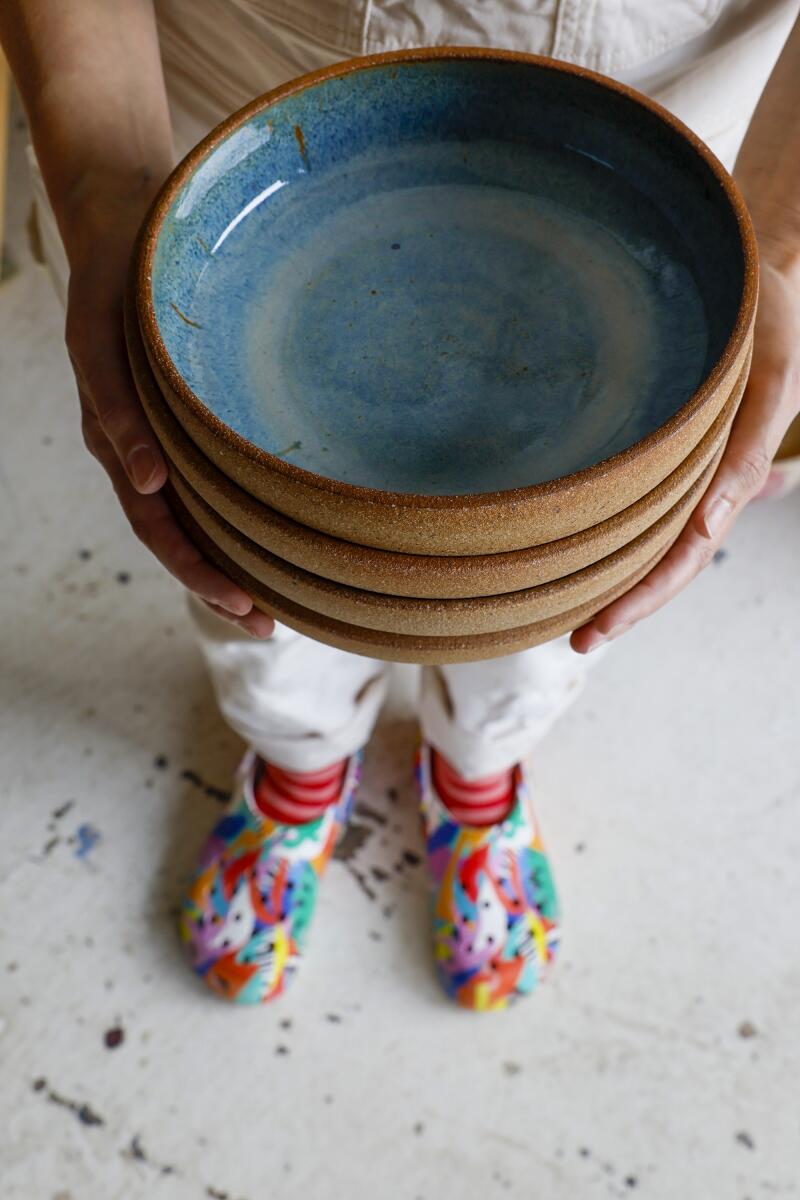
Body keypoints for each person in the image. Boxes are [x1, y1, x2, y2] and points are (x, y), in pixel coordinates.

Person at [2, 1, 799, 1010]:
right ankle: (297, 758)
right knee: (241, 544)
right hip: (240, 87)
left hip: (656, 103)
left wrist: (769, 243)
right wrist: (105, 186)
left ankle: (479, 768)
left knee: (568, 582)